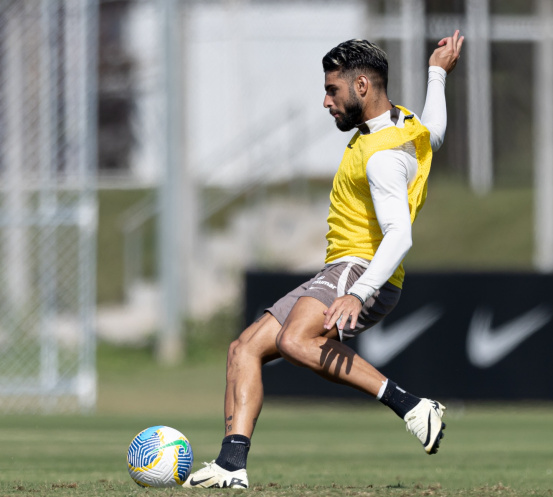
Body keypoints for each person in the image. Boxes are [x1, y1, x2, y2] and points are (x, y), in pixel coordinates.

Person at [184, 31, 464, 489]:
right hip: (340, 269)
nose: (325, 101)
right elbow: (437, 130)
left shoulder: (383, 157)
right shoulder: (405, 124)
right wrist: (437, 74)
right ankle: (231, 464)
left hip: (359, 269)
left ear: (361, 88)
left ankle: (412, 406)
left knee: (296, 341)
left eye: (332, 89)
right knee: (244, 349)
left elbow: (400, 234)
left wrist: (358, 292)